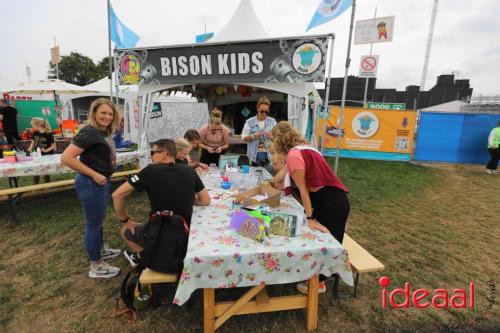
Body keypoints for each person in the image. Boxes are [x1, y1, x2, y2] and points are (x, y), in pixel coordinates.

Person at [271, 121, 350, 295]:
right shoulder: (303, 148)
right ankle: (315, 276)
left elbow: (304, 190)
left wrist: (310, 218)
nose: (274, 155)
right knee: (318, 239)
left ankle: (319, 283)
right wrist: (270, 184)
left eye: (275, 150)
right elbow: (281, 175)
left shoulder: (293, 155)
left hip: (332, 202)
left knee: (326, 242)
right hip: (329, 199)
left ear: (280, 145)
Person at [111, 139, 210, 265]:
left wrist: (125, 221)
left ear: (164, 154)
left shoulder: (149, 171)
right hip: (185, 230)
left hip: (158, 230)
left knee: (125, 230)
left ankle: (144, 256)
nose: (151, 156)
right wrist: (190, 200)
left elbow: (117, 194)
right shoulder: (189, 171)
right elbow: (206, 200)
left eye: (153, 152)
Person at [61, 98, 122, 279]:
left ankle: (101, 249)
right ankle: (96, 266)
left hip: (101, 182)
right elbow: (67, 158)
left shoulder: (101, 132)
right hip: (91, 183)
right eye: (103, 113)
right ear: (94, 113)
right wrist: (94, 174)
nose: (107, 117)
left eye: (110, 114)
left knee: (98, 220)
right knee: (93, 225)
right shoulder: (89, 132)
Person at [241, 96, 277, 167]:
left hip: (269, 156)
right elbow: (244, 138)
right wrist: (254, 136)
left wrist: (272, 136)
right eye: (262, 111)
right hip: (253, 156)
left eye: (266, 112)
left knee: (268, 177)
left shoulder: (273, 121)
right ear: (257, 108)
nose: (264, 113)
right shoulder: (249, 122)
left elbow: (278, 138)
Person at [28, 117, 56, 184]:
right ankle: (36, 185)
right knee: (35, 169)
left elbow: (53, 146)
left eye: (33, 125)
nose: (32, 127)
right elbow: (33, 141)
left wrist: (46, 150)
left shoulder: (48, 134)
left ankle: (47, 185)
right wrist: (30, 148)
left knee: (45, 170)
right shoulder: (35, 133)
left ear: (38, 125)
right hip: (37, 154)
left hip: (47, 155)